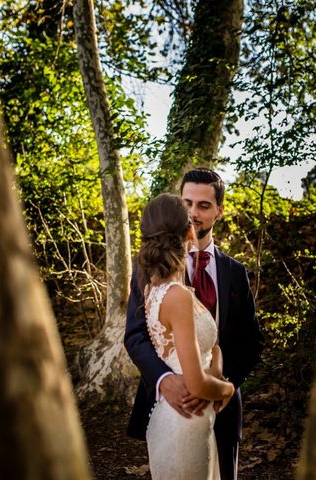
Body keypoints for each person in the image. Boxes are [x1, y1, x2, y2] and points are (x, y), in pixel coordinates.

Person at [125, 168, 265, 480]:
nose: (193, 213)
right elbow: (134, 337)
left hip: (223, 408)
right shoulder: (149, 270)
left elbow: (252, 340)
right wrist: (164, 379)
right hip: (173, 406)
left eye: (203, 205)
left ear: (219, 210)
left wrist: (220, 384)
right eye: (187, 203)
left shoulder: (235, 272)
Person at [132, 192, 234, 479]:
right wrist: (226, 389)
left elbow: (209, 346)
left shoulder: (156, 288)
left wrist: (216, 367)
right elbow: (197, 385)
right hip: (186, 420)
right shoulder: (176, 295)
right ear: (189, 231)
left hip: (185, 419)